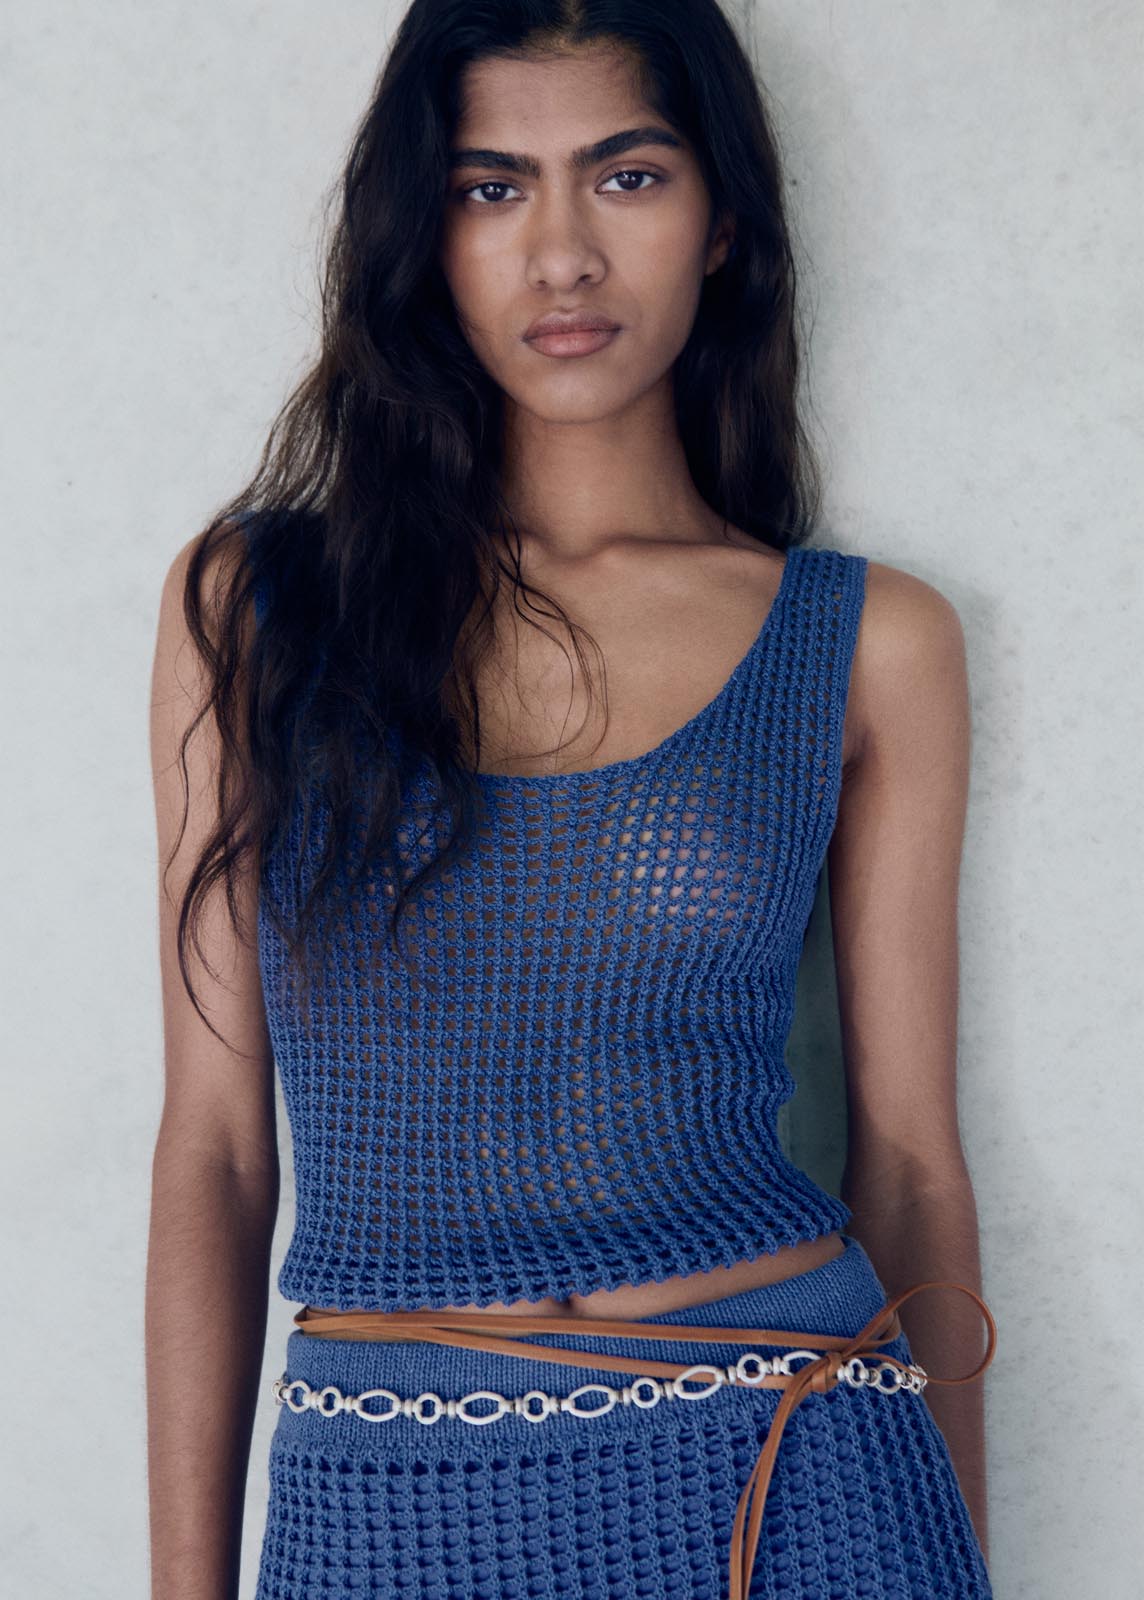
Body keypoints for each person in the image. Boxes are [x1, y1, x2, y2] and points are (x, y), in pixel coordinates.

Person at [146, 2, 997, 1596]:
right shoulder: (259, 610)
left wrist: (963, 1562)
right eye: (490, 188)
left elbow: (909, 1162)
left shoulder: (868, 641)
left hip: (797, 1475)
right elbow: (215, 1153)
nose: (561, 256)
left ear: (722, 222)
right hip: (386, 1500)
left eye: (627, 177)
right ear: (423, 236)